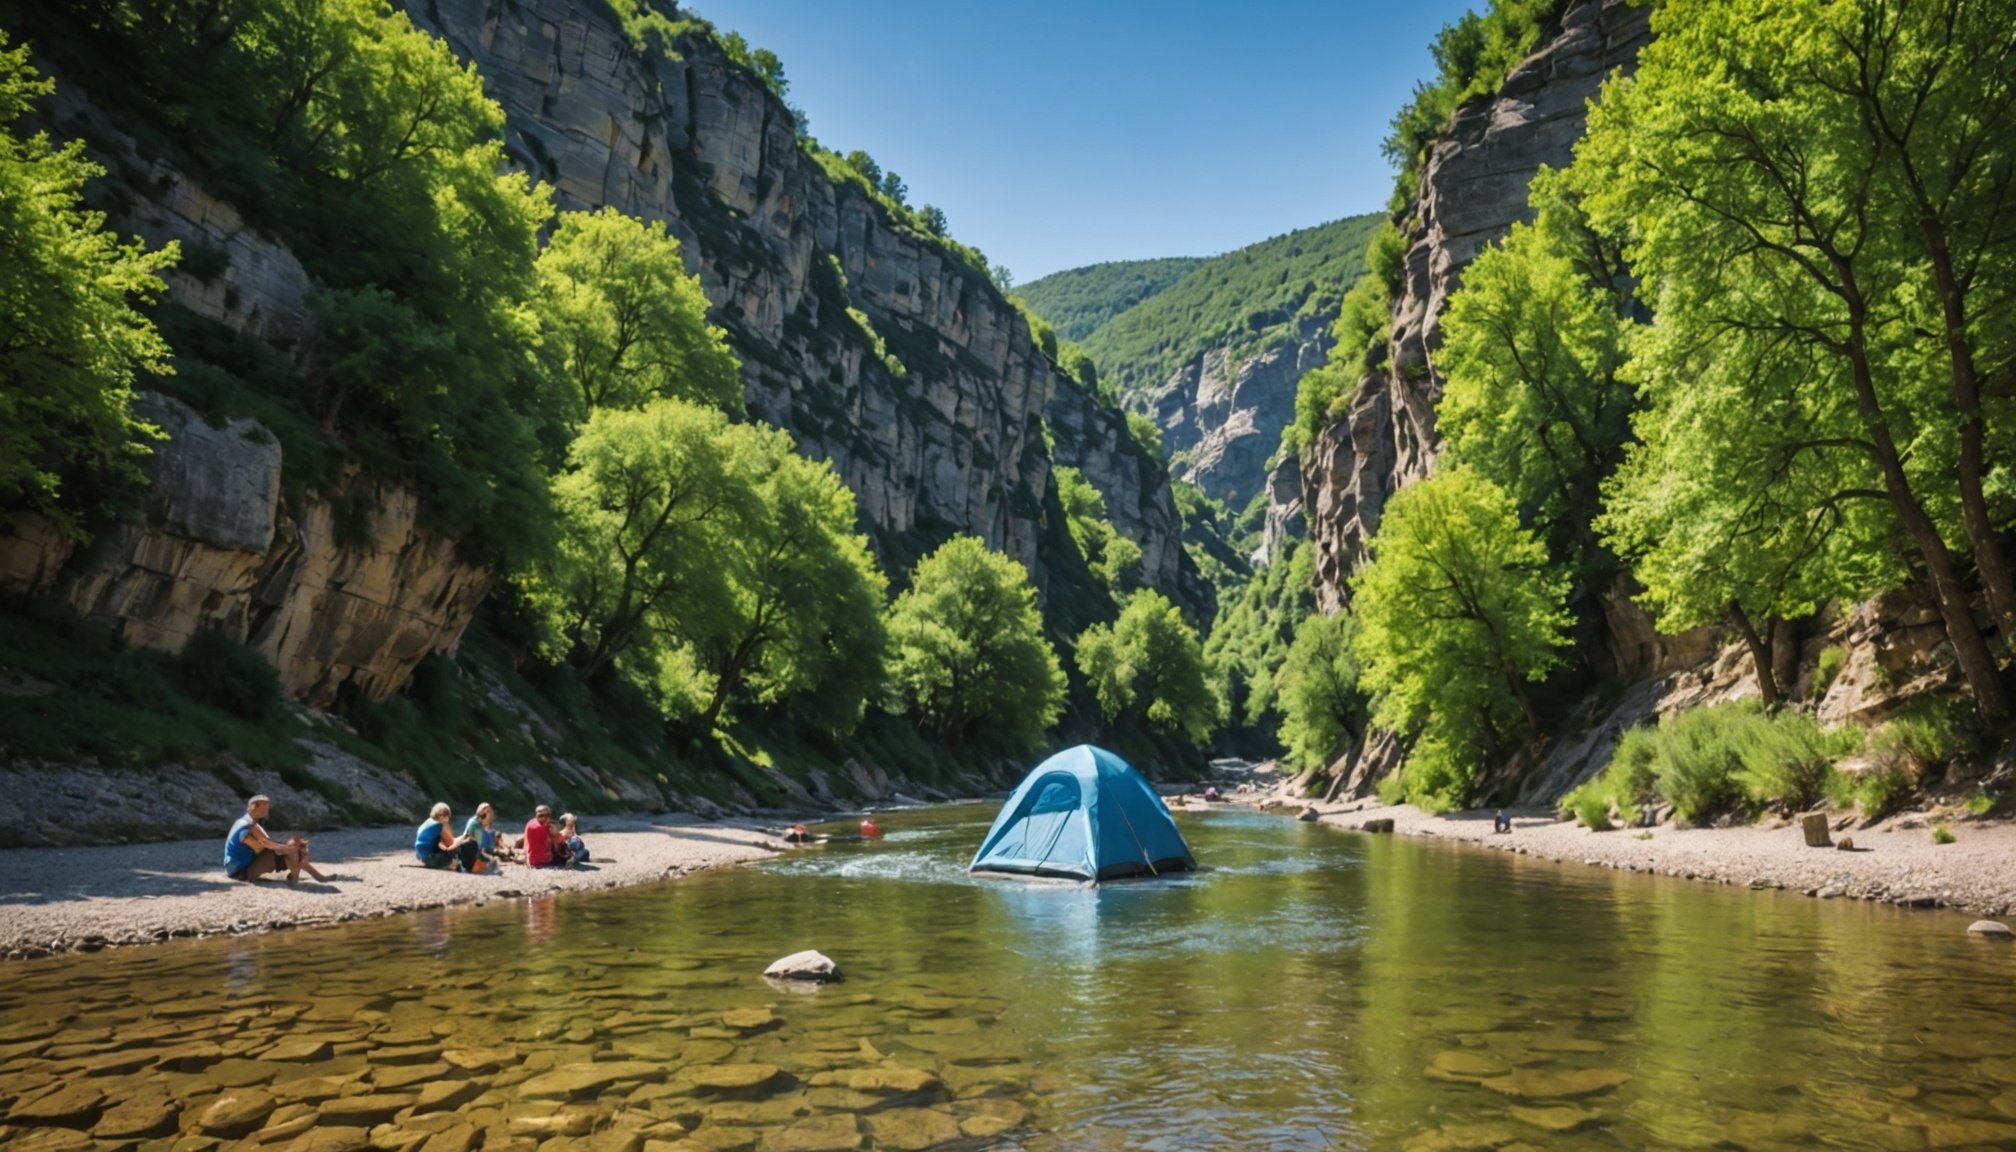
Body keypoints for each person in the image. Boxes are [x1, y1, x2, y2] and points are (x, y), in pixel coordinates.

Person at [225, 795, 328, 883]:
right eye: (264, 806)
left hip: (243, 866)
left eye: (267, 806)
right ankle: (296, 879)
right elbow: (258, 848)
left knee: (296, 846)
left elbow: (265, 843)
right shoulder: (246, 825)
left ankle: (309, 876)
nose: (267, 809)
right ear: (253, 807)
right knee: (293, 848)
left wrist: (286, 847)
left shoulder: (251, 823)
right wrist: (286, 848)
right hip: (240, 872)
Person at [415, 802, 481, 871]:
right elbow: (450, 844)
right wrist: (465, 838)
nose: (447, 818)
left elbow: (447, 841)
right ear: (441, 816)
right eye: (447, 816)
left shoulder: (429, 822)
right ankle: (459, 866)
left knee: (461, 842)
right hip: (432, 859)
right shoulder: (440, 825)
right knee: (465, 846)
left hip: (424, 858)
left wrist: (462, 837)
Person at [461, 802, 513, 872]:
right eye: (487, 812)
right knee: (492, 860)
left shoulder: (475, 820)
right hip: (473, 852)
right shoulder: (476, 824)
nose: (489, 814)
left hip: (471, 850)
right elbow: (477, 844)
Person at [520, 805, 561, 869]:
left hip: (529, 857)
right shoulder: (541, 827)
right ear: (536, 815)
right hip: (540, 859)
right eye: (541, 815)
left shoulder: (530, 822)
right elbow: (556, 847)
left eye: (547, 815)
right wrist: (554, 835)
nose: (544, 818)